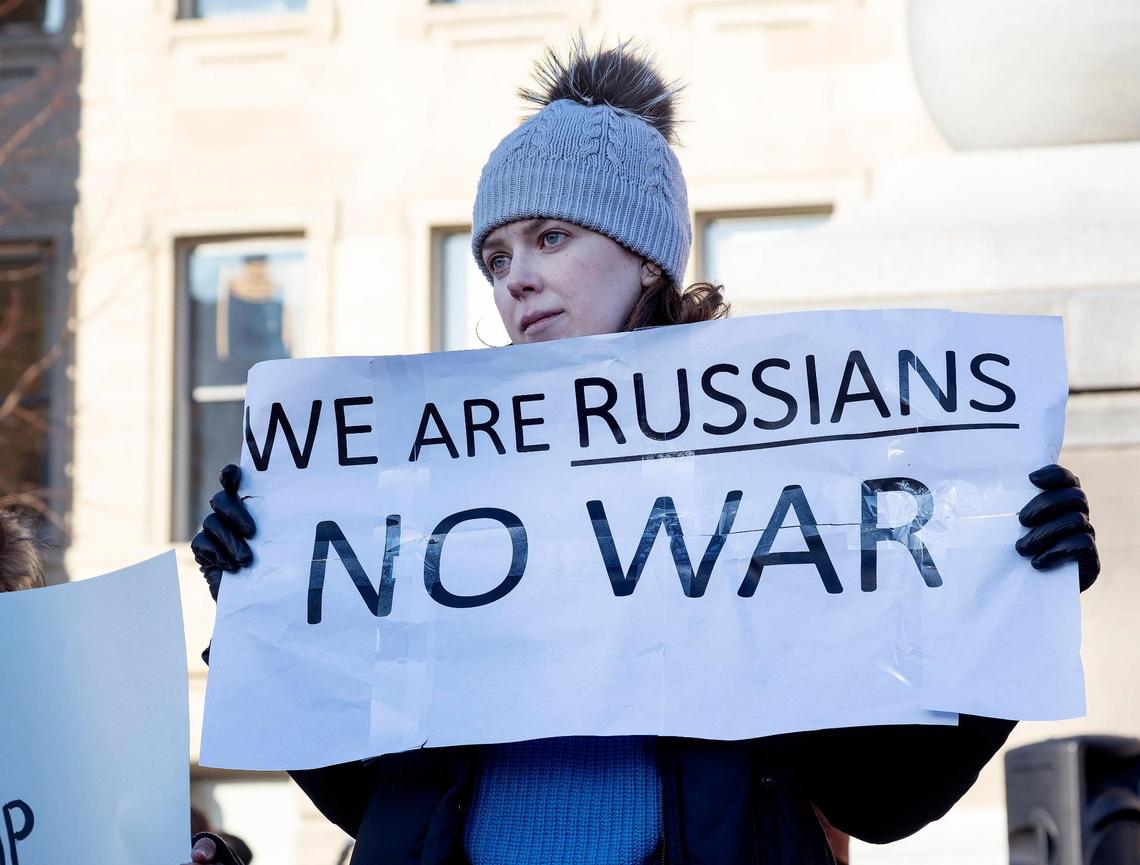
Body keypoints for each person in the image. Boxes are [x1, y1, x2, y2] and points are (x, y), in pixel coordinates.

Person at [186, 38, 1102, 865]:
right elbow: (364, 794)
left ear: (647, 258)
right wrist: (263, 605)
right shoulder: (428, 484)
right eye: (496, 257)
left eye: (551, 236)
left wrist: (1014, 593)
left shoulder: (775, 473)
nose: (519, 278)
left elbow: (883, 795)